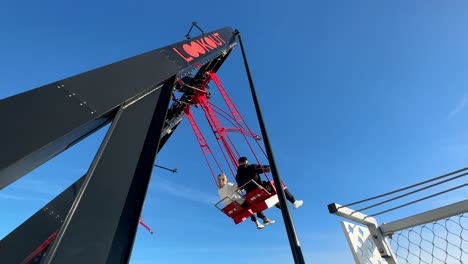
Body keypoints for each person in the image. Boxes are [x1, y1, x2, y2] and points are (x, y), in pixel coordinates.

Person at [235, 157, 303, 209]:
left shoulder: (237, 177)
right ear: (246, 161)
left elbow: (241, 188)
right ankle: (294, 201)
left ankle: (282, 207)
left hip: (252, 196)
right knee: (277, 183)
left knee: (268, 193)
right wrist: (268, 167)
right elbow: (266, 169)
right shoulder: (251, 167)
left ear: (239, 163)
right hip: (262, 190)